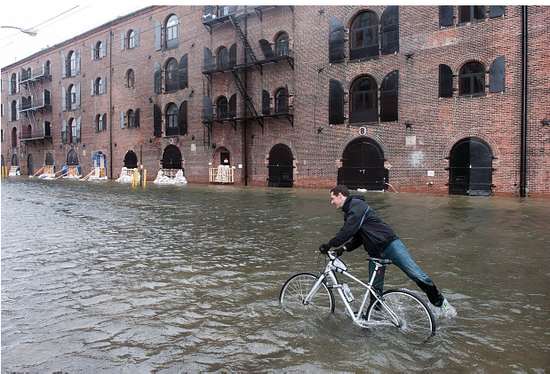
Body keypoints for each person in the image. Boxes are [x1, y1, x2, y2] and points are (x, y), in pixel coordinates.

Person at [319, 185, 456, 317]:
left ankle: (442, 303)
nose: (332, 202)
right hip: (375, 254)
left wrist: (329, 245)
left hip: (391, 246)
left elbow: (348, 230)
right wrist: (342, 249)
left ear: (341, 195)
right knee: (375, 288)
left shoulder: (357, 205)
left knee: (417, 275)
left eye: (332, 199)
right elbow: (359, 237)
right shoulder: (350, 212)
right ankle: (375, 315)